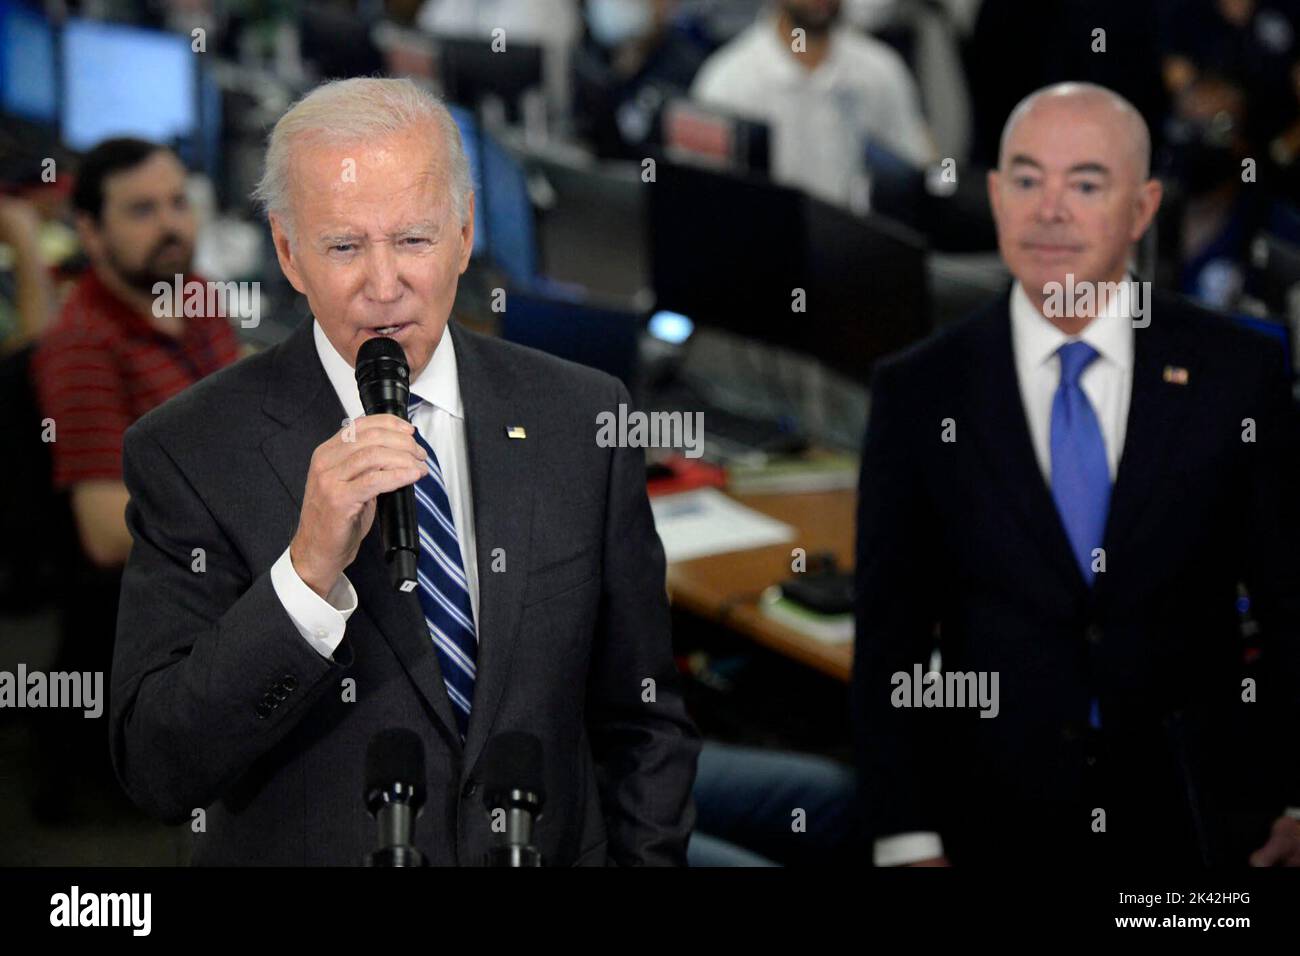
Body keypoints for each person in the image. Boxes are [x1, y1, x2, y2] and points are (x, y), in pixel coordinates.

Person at [110, 77, 700, 865]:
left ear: (464, 233)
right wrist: (305, 574)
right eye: (346, 246)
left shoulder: (584, 417)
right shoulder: (189, 451)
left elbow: (644, 722)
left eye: (414, 241)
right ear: (288, 252)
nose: (384, 287)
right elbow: (157, 767)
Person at [854, 82, 1300, 867]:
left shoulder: (1239, 373)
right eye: (1027, 180)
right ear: (994, 197)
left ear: (1142, 207)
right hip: (992, 824)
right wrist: (907, 837)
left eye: (1086, 183)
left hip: (1197, 823)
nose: (1049, 209)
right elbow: (888, 645)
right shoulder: (919, 391)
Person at [31, 138, 240, 570]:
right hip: (182, 589)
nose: (170, 225)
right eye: (142, 210)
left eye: (178, 203)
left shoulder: (195, 291)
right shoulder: (82, 343)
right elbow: (106, 530)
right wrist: (245, 519)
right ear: (90, 231)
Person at [691, 0, 933, 208]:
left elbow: (916, 169)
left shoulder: (881, 70)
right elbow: (706, 202)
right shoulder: (726, 83)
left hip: (862, 245)